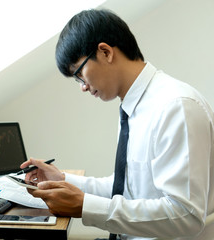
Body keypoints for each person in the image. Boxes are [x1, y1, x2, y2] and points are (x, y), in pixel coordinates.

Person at [20, 9, 214, 240]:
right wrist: (63, 180)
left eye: (79, 74)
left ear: (105, 52)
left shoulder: (175, 107)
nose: (82, 86)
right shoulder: (133, 106)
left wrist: (85, 206)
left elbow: (186, 216)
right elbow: (127, 188)